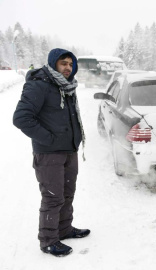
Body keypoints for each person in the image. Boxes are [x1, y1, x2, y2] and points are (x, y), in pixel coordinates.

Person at [13, 48, 90, 257]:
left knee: (66, 194)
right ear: (53, 63)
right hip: (49, 154)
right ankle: (48, 240)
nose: (68, 67)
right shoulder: (40, 85)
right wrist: (49, 139)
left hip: (69, 150)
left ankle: (64, 229)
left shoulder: (66, 87)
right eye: (63, 63)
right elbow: (21, 118)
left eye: (70, 64)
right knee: (53, 197)